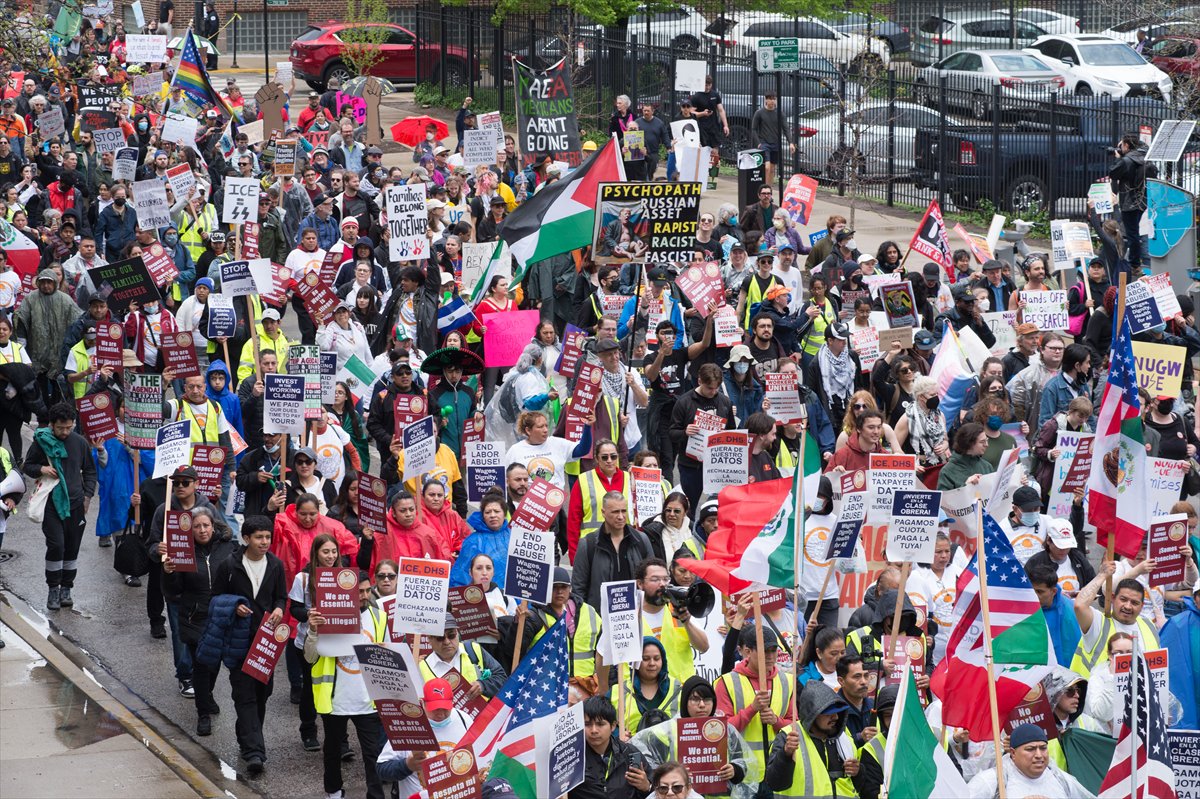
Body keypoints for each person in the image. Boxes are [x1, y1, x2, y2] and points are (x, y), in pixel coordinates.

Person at [208, 516, 287, 777]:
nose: (264, 542)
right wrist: (233, 606)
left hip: (265, 644)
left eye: (267, 537)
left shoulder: (275, 565)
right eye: (259, 537)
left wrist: (278, 608)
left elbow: (281, 596)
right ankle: (255, 753)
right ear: (246, 539)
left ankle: (247, 737)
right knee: (245, 695)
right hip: (239, 642)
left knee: (262, 694)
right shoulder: (230, 565)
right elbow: (215, 598)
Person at [303, 570, 387, 799]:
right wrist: (312, 630)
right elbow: (310, 657)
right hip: (335, 700)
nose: (365, 595)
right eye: (360, 591)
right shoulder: (325, 617)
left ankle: (376, 795)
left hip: (367, 701)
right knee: (332, 751)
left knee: (373, 754)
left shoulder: (379, 617)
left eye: (368, 590)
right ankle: (334, 792)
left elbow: (386, 653)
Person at [161, 506, 237, 736]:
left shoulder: (228, 547)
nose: (202, 530)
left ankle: (208, 695)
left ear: (213, 526)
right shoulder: (182, 551)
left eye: (206, 525)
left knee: (214, 665)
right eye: (196, 526)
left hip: (221, 616)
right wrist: (169, 572)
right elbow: (173, 591)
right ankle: (203, 713)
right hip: (194, 617)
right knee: (202, 666)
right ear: (189, 530)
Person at [23, 402, 97, 610]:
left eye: (69, 427)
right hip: (51, 504)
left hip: (76, 504)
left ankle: (67, 588)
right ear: (52, 426)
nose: (65, 432)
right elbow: (27, 466)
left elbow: (90, 472)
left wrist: (87, 496)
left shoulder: (80, 443)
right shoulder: (41, 442)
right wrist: (42, 468)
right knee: (57, 545)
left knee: (72, 548)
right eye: (60, 428)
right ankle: (53, 589)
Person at [715, 625, 794, 785]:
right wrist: (752, 710)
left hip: (777, 772)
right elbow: (719, 732)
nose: (771, 656)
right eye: (765, 651)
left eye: (773, 650)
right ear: (748, 652)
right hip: (743, 775)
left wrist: (776, 721)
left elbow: (796, 727)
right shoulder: (726, 682)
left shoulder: (788, 681)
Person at [765, 680, 863, 799]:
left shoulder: (845, 736)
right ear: (812, 715)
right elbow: (775, 783)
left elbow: (859, 787)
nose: (835, 717)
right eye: (828, 714)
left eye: (837, 712)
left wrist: (858, 772)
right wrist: (786, 755)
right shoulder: (789, 735)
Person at [1071, 563, 1160, 678]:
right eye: (1123, 599)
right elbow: (1080, 605)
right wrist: (1102, 575)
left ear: (1142, 606)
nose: (1128, 606)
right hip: (1100, 694)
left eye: (1134, 603)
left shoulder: (1149, 625)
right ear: (1112, 598)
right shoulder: (1098, 623)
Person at [572, 491, 653, 610]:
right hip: (600, 620)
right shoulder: (588, 544)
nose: (621, 517)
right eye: (615, 512)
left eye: (623, 511)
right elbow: (578, 589)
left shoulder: (641, 540)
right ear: (603, 513)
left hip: (635, 615)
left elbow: (652, 578)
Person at [966, 723, 1093, 798]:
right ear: (1013, 753)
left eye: (1043, 748)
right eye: (1030, 749)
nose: (1039, 755)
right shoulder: (991, 781)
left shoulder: (1062, 780)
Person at [573, 696, 649, 799]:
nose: (594, 730)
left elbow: (657, 791)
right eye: (587, 724)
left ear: (613, 726)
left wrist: (647, 787)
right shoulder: (572, 756)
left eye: (600, 724)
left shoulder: (629, 752)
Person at [419, 612, 507, 699]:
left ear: (457, 633)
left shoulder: (473, 649)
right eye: (440, 638)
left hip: (482, 712)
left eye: (451, 635)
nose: (447, 642)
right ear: (429, 639)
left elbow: (502, 677)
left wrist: (483, 685)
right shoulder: (422, 667)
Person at [1108, 133, 1157, 272]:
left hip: (1129, 202)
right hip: (1142, 200)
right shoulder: (1145, 157)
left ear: (1127, 146)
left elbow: (1113, 174)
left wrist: (1119, 159)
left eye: (1122, 145)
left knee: (1132, 234)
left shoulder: (1126, 161)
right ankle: (1136, 262)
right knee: (1137, 232)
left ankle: (1134, 264)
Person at [449, 488, 511, 588]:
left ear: (504, 514)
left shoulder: (514, 537)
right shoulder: (472, 542)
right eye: (488, 512)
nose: (492, 515)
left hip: (517, 601)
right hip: (485, 599)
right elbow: (461, 576)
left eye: (496, 511)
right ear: (482, 516)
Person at [937, 422, 994, 491]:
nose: (986, 445)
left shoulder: (987, 466)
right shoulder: (947, 471)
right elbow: (944, 500)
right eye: (982, 442)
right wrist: (966, 486)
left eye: (986, 440)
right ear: (969, 443)